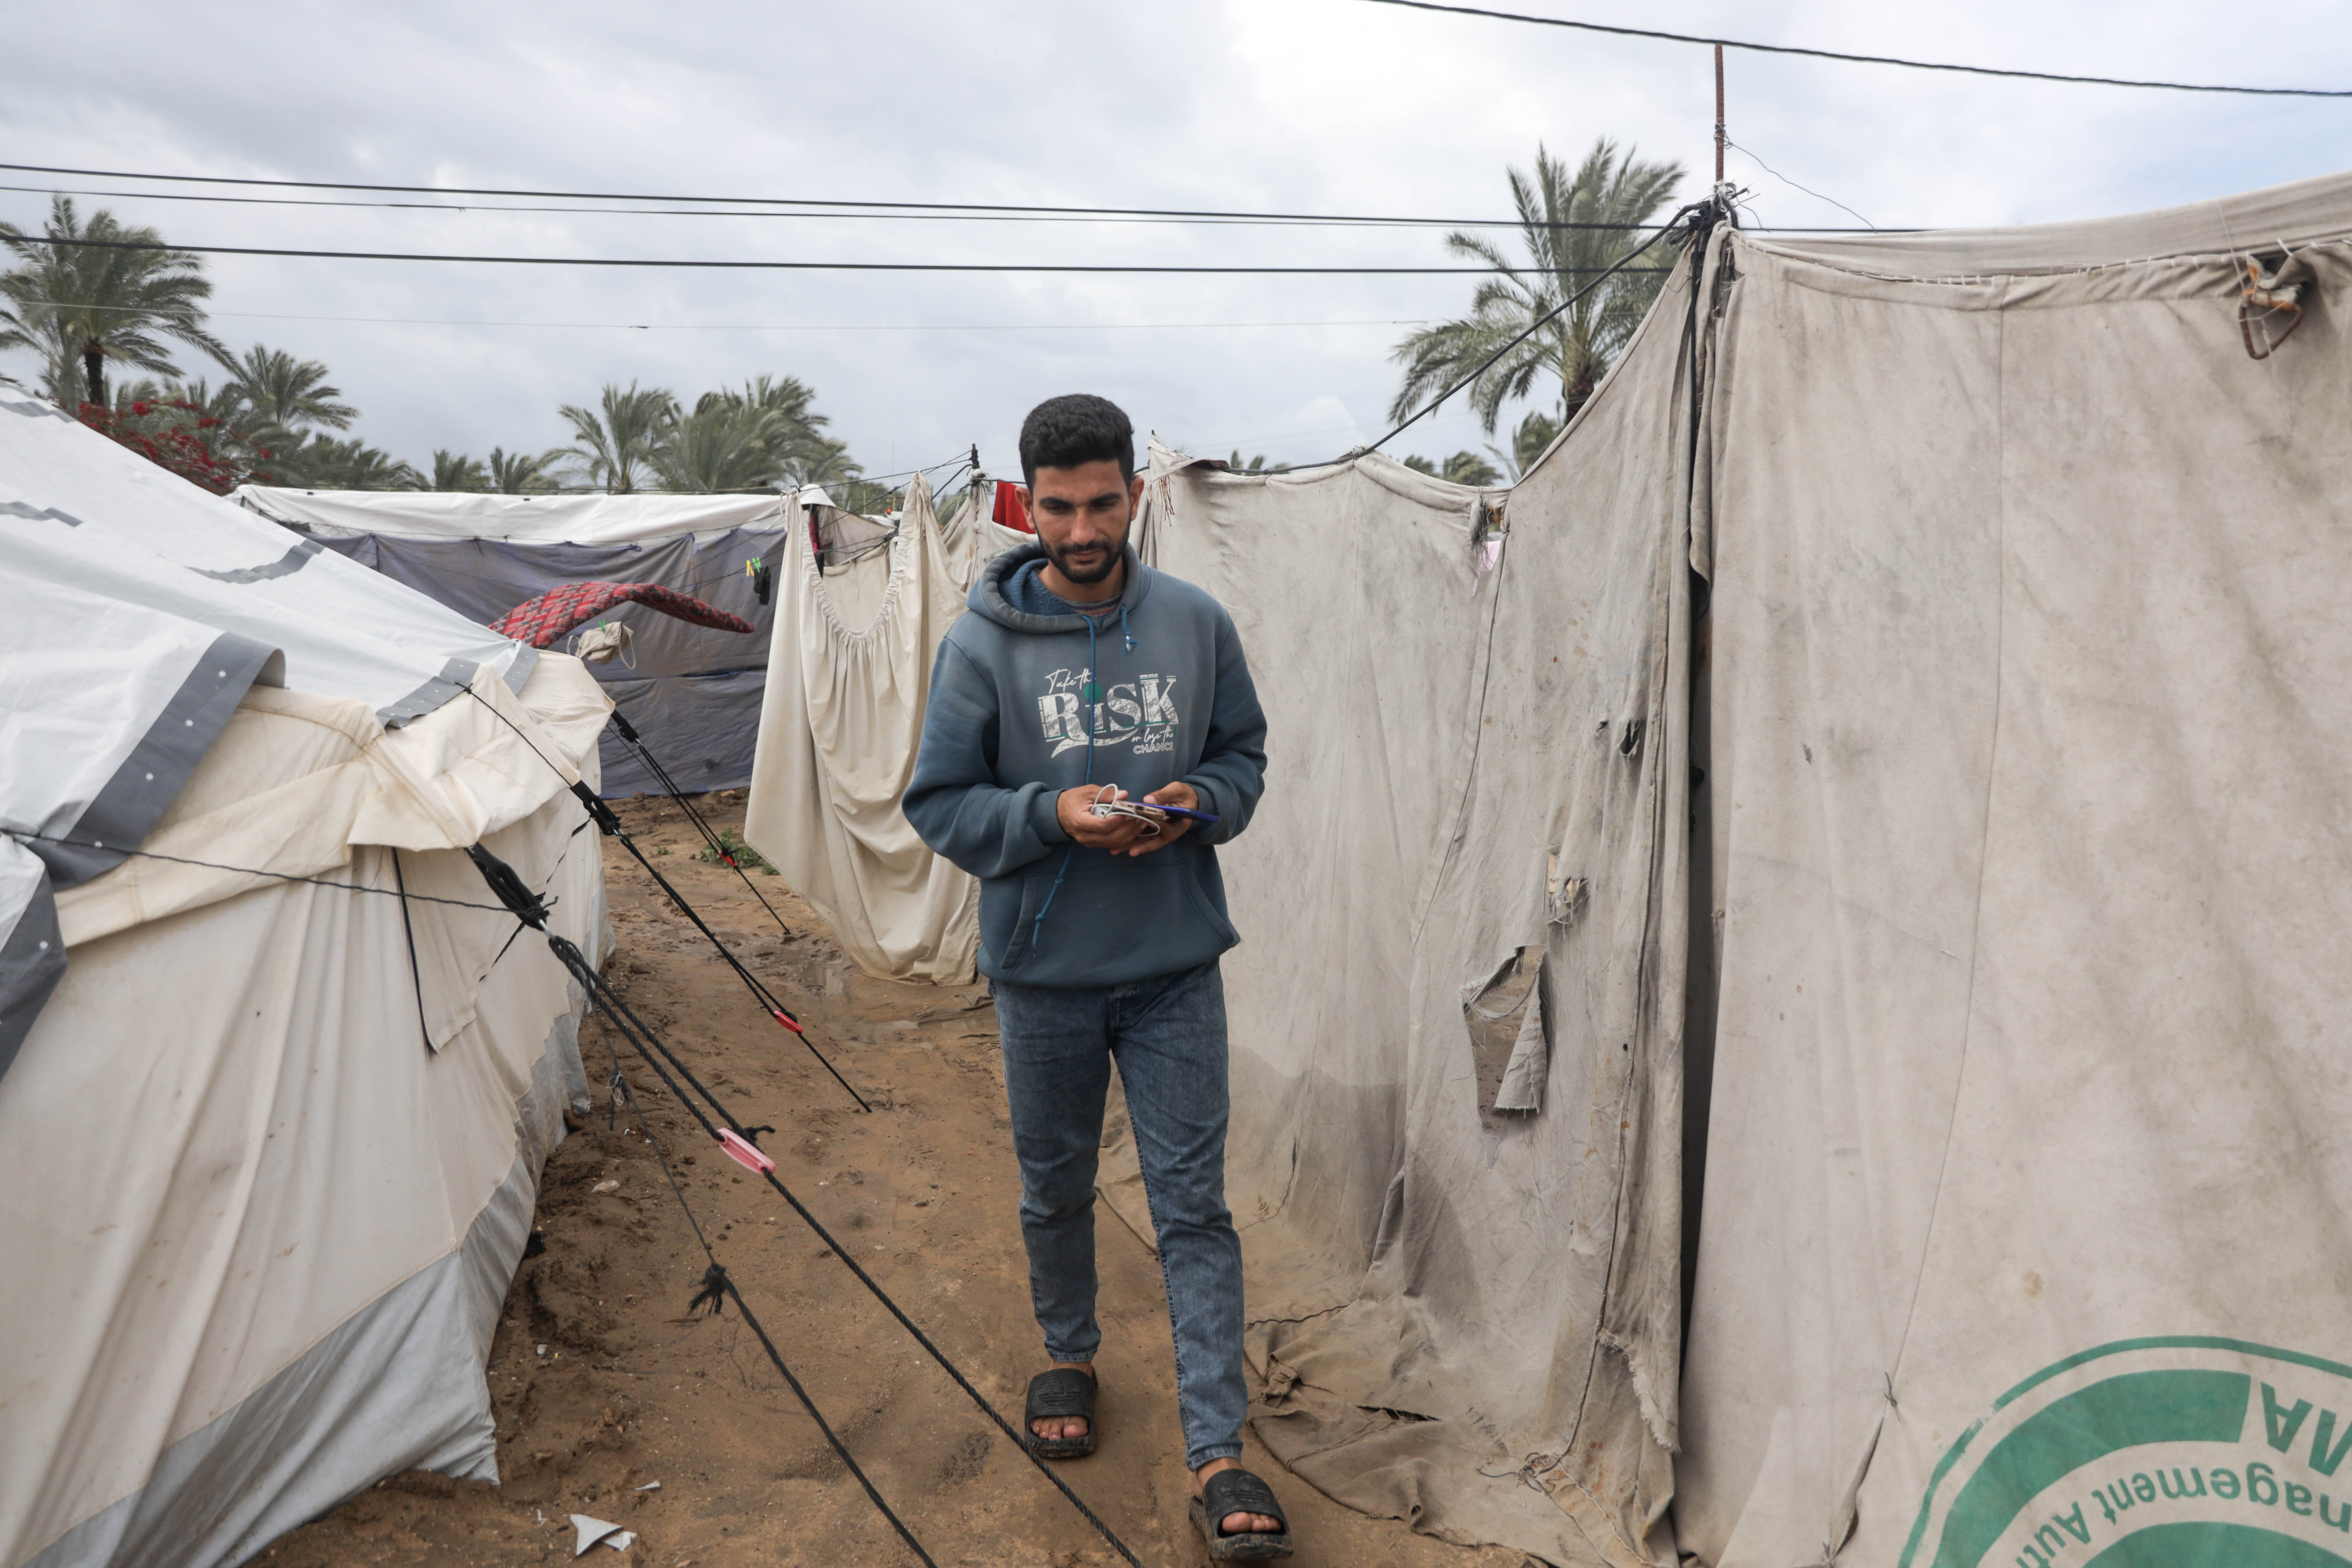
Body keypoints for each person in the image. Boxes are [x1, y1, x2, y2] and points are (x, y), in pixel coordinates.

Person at [905, 394, 1288, 1558]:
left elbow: (1243, 757)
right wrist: (1051, 814)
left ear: (1137, 494)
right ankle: (1068, 1355)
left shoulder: (1195, 623)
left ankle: (1217, 1450)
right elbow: (939, 803)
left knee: (1193, 1207)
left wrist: (1197, 802)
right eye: (1060, 507)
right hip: (1043, 974)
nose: (1082, 529)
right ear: (1028, 504)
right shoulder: (980, 646)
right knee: (1054, 1186)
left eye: (1103, 503)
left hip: (1175, 967)